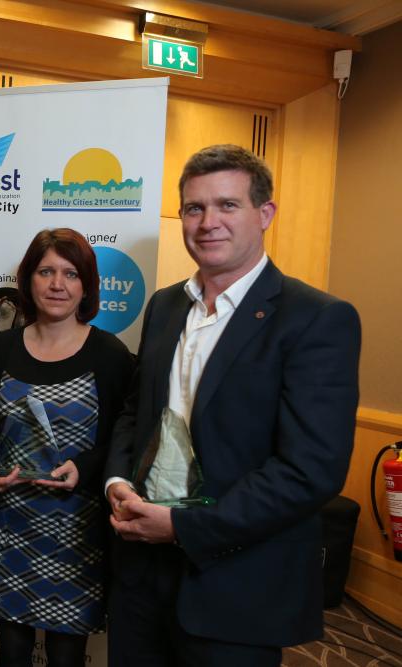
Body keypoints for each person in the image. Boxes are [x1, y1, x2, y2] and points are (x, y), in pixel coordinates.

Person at [104, 144, 362, 666]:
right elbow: (135, 411)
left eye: (227, 205)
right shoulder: (165, 305)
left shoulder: (316, 318)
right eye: (194, 208)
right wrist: (116, 481)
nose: (208, 223)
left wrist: (182, 528)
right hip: (140, 574)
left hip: (237, 585)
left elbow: (310, 469)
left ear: (265, 214)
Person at [0, 228, 134, 666]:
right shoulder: (1, 349)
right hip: (8, 525)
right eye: (46, 272)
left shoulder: (109, 354)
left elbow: (125, 438)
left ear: (86, 286)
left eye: (71, 273)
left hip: (77, 531)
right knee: (11, 654)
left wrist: (86, 467)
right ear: (28, 280)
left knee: (66, 658)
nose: (58, 284)